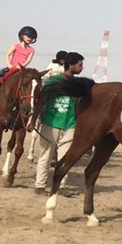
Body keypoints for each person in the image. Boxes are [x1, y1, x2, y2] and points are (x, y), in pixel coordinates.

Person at [34, 52, 84, 194]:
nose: (82, 68)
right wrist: (33, 120)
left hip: (70, 125)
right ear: (71, 65)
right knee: (45, 156)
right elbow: (41, 101)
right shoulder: (52, 81)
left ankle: (60, 187)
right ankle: (40, 185)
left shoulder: (78, 85)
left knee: (65, 159)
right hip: (50, 123)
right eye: (80, 65)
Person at [0, 26, 38, 99]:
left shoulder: (31, 50)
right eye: (28, 36)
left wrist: (22, 66)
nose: (30, 39)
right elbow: (7, 54)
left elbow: (28, 60)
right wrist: (9, 65)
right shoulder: (16, 46)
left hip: (22, 69)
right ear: (22, 35)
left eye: (32, 37)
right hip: (11, 68)